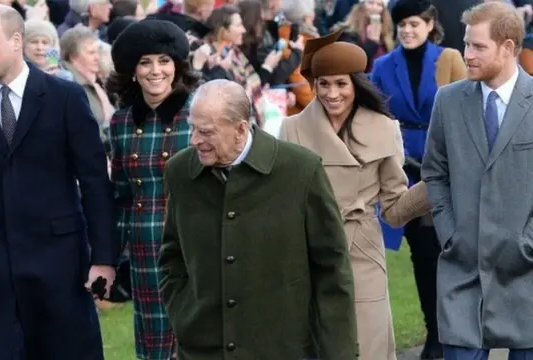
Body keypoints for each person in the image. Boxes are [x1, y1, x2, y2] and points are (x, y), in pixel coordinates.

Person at [0, 4, 117, 360]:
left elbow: (94, 182)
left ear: (16, 41)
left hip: (60, 262)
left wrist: (103, 258)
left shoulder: (65, 98)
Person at [159, 79, 358, 360]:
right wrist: (184, 312)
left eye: (206, 132)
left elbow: (332, 269)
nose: (194, 140)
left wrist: (339, 353)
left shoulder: (301, 171)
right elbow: (172, 256)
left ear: (240, 129)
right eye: (192, 128)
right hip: (202, 349)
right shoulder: (180, 172)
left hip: (283, 349)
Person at [279, 29, 431, 360]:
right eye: (324, 83)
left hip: (362, 250)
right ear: (314, 84)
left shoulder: (383, 127)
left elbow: (393, 208)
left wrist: (434, 188)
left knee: (369, 345)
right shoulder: (291, 130)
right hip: (310, 254)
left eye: (341, 84)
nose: (332, 93)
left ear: (356, 85)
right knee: (319, 345)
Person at [422, 2, 533, 359]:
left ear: (508, 48)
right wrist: (450, 232)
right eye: (466, 44)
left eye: (477, 46)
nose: (465, 54)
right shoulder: (448, 101)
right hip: (463, 271)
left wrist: (527, 241)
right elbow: (435, 172)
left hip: (527, 273)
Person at [369, 0, 466, 358]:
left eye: (413, 24)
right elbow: (374, 112)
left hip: (445, 168)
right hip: (401, 171)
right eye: (401, 26)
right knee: (421, 255)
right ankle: (435, 334)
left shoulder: (450, 58)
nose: (407, 31)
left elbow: (465, 110)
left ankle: (451, 331)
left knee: (445, 252)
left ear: (429, 24)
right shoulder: (382, 66)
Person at [108, 19, 199, 360]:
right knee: (155, 344)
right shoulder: (120, 122)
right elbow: (119, 194)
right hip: (146, 249)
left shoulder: (199, 115)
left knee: (199, 338)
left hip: (196, 245)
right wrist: (110, 257)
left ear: (177, 66)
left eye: (163, 61)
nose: (154, 70)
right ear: (132, 71)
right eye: (145, 62)